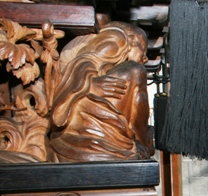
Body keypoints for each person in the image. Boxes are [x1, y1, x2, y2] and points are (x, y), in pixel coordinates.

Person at [48, 22, 153, 162]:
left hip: (88, 105)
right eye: (143, 50)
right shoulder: (117, 39)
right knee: (136, 71)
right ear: (133, 40)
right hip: (82, 95)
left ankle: (131, 141)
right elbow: (82, 61)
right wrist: (91, 84)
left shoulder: (117, 47)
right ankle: (137, 141)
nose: (145, 58)